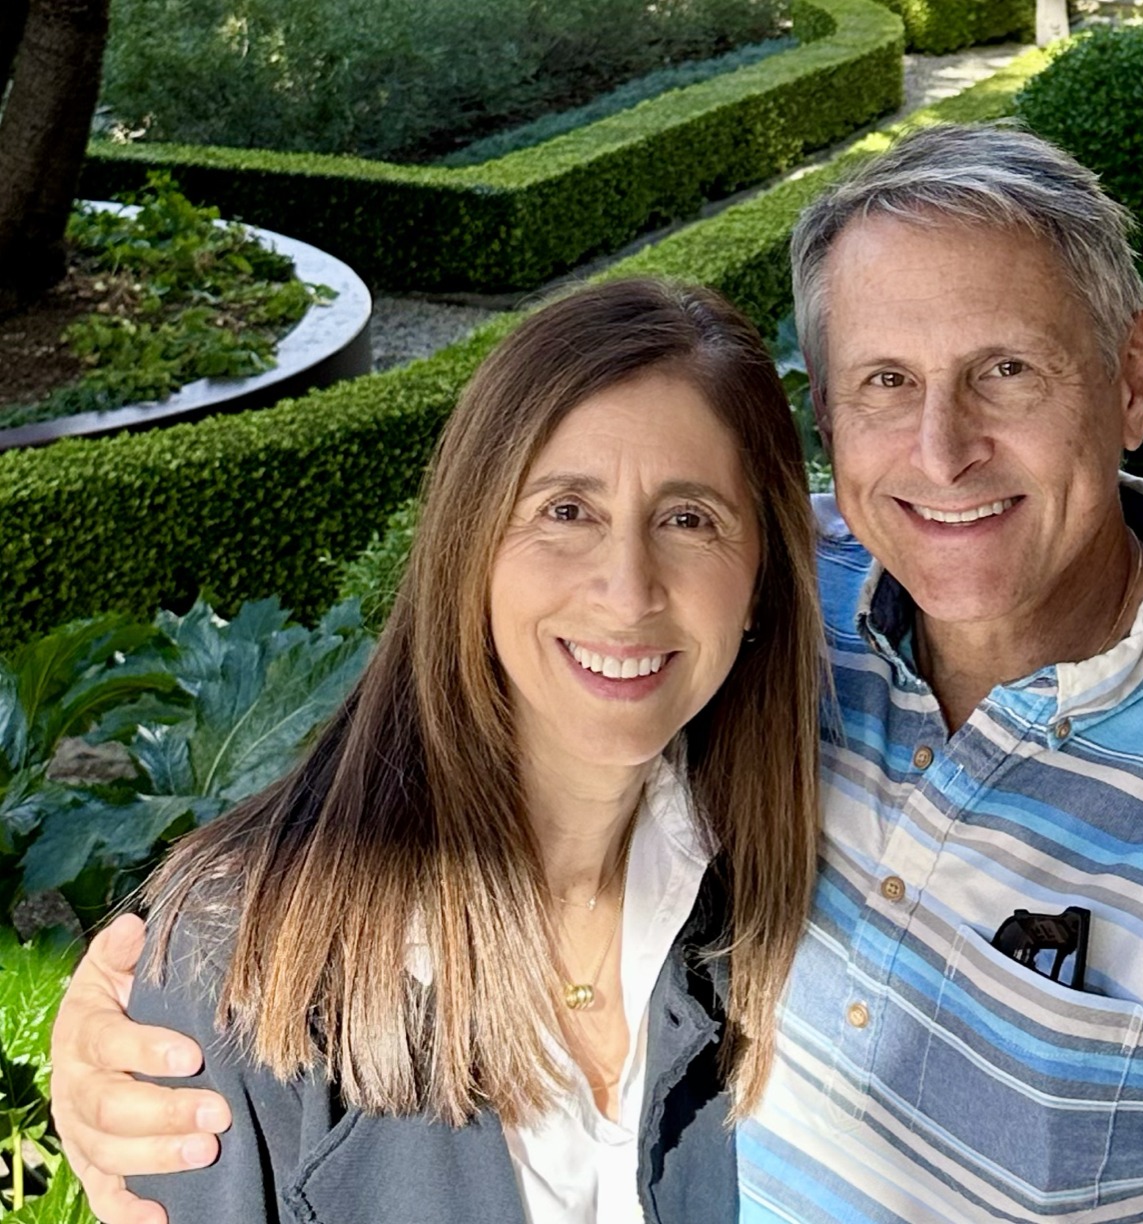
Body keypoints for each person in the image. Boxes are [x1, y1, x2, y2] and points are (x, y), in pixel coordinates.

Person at [51, 123, 1143, 1223]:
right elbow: (485, 659)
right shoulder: (778, 593)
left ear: (1131, 374)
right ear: (827, 421)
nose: (941, 455)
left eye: (1008, 371)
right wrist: (158, 996)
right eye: (886, 384)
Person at [63, 277, 826, 1224]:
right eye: (565, 510)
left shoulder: (778, 883)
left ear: (762, 583)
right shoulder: (244, 969)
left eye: (688, 518)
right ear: (469, 545)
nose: (627, 593)